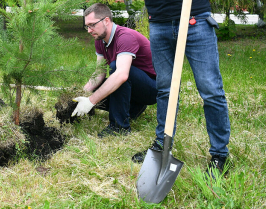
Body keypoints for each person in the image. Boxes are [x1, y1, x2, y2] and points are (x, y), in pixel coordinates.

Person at [132, 0, 231, 179]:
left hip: (196, 20)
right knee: (164, 90)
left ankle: (219, 154)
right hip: (158, 22)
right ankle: (162, 144)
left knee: (211, 91)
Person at [72, 3, 157, 138]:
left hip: (153, 89)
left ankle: (119, 127)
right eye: (87, 26)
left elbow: (122, 74)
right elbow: (99, 73)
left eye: (92, 25)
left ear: (106, 21)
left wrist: (91, 101)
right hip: (134, 85)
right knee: (96, 87)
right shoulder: (100, 39)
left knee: (115, 68)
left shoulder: (125, 37)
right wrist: (82, 95)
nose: (89, 30)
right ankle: (133, 108)